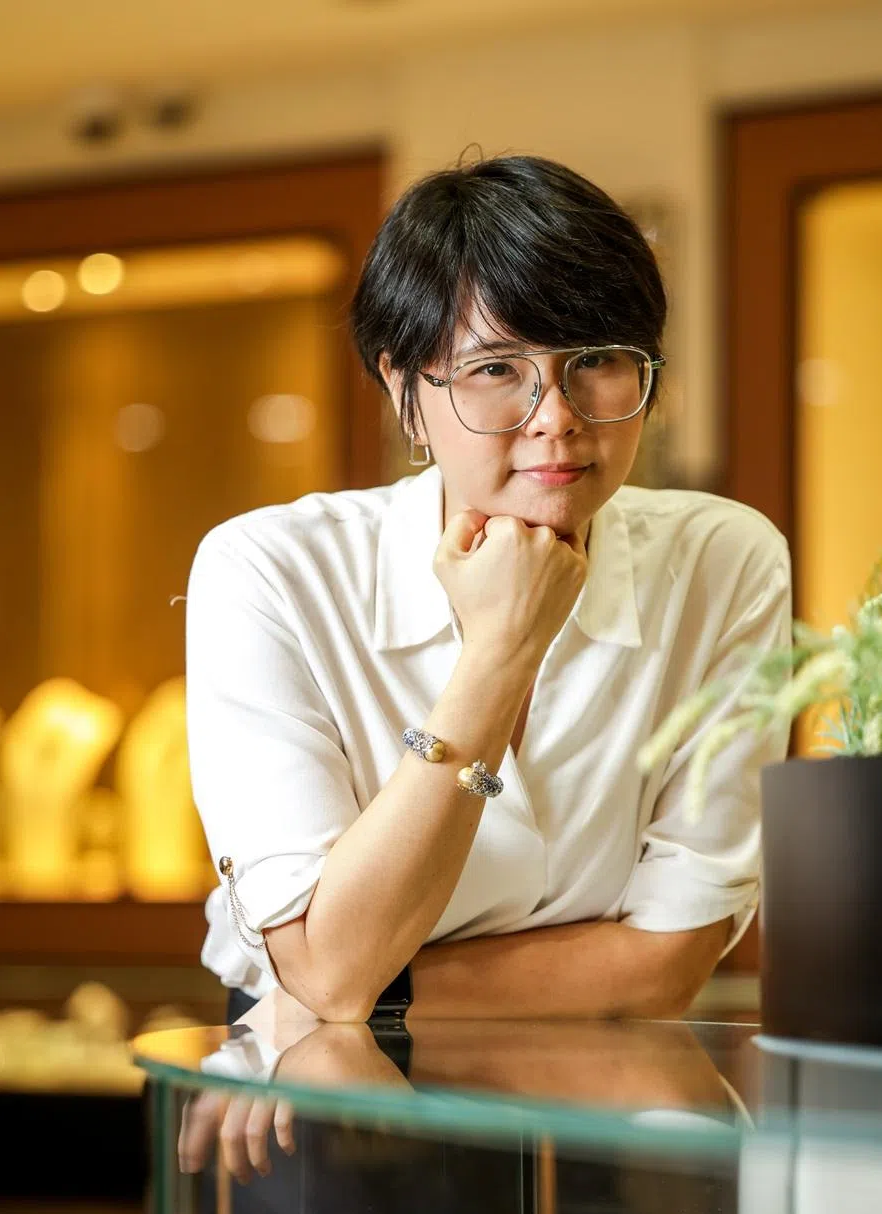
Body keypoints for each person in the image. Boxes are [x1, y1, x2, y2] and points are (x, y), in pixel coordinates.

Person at [185, 153, 791, 1028]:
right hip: (317, 1095)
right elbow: (327, 960)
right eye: (496, 368)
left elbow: (668, 961)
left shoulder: (723, 562)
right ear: (406, 394)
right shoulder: (270, 571)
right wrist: (499, 653)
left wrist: (358, 993)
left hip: (586, 1068)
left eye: (598, 360)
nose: (558, 416)